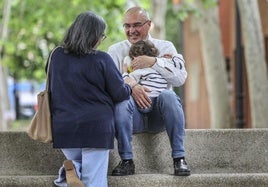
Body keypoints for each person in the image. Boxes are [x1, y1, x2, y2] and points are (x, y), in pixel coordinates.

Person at [48, 11, 132, 187]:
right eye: (102, 35)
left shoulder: (55, 56)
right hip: (96, 128)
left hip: (64, 127)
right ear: (94, 35)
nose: (102, 39)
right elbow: (120, 93)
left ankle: (72, 170)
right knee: (94, 181)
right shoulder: (102, 59)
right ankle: (69, 173)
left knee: (83, 173)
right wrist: (129, 84)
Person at [107, 6, 190, 176]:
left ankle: (179, 159)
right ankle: (127, 161)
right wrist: (132, 86)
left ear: (149, 24)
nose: (131, 31)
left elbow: (180, 79)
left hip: (160, 115)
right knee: (122, 101)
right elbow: (109, 86)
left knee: (168, 95)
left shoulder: (166, 47)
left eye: (136, 25)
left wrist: (153, 62)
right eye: (127, 26)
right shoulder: (115, 51)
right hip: (132, 116)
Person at [123, 40, 168, 113]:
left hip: (144, 103)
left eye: (132, 59)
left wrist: (125, 72)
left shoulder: (139, 72)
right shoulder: (159, 70)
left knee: (126, 98)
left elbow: (127, 83)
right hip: (159, 103)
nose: (131, 62)